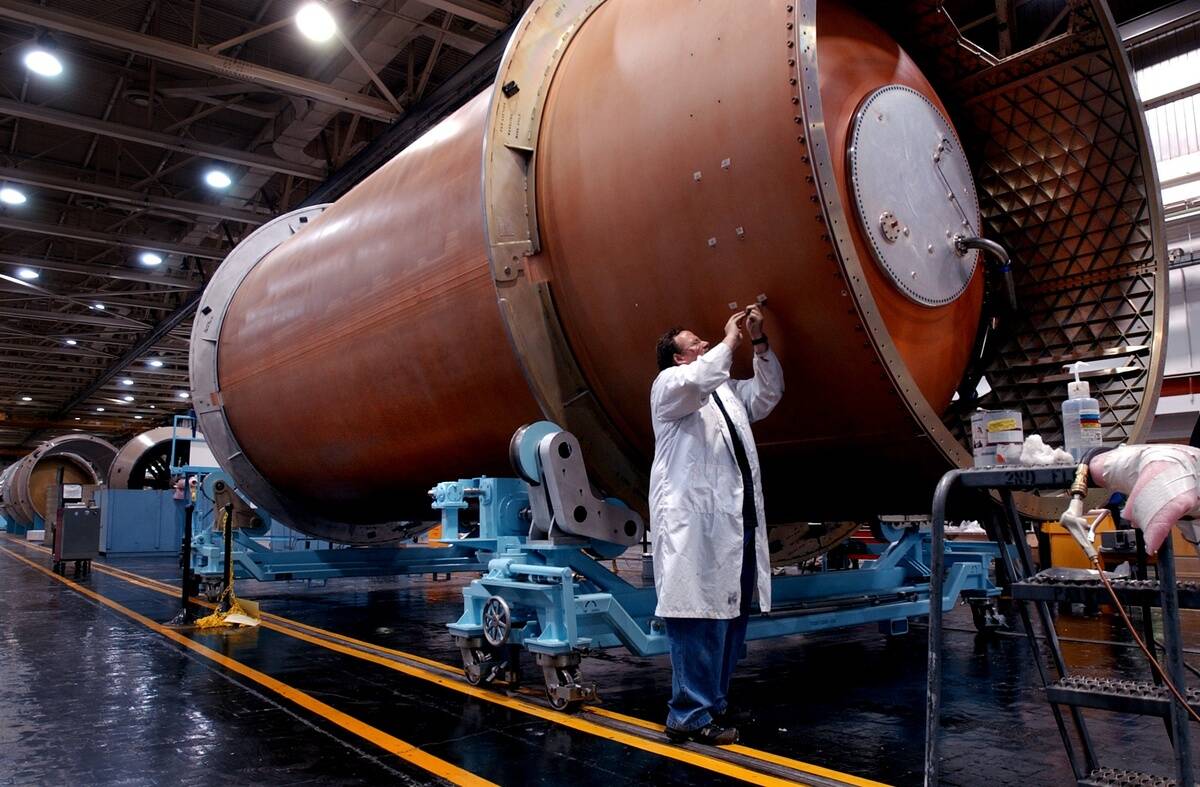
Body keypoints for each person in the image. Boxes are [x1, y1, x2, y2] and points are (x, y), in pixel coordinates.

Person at [649, 303, 784, 745]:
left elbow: (766, 396)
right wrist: (729, 340)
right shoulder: (670, 386)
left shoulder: (723, 393)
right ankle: (687, 715)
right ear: (678, 357)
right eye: (696, 344)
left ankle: (711, 704)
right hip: (696, 529)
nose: (705, 344)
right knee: (698, 620)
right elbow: (699, 378)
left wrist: (759, 343)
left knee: (728, 620)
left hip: (734, 527)